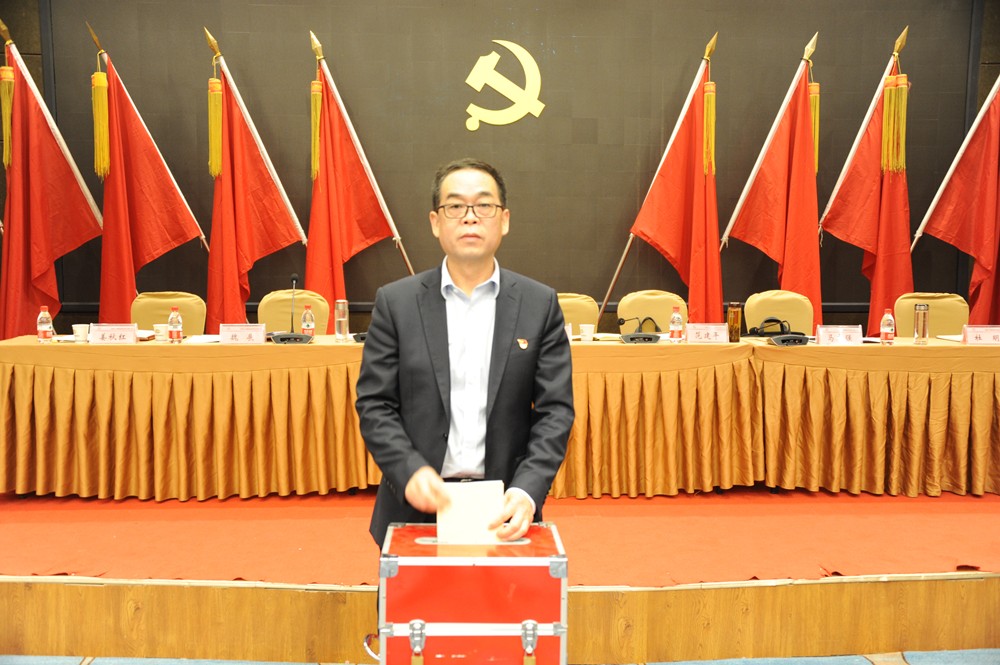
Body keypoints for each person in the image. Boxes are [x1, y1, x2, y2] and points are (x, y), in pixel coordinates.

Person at [355, 158, 575, 547]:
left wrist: (526, 490)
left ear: (504, 220)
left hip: (504, 507)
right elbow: (375, 404)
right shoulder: (396, 303)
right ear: (435, 222)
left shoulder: (538, 304)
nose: (470, 217)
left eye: (484, 205)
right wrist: (408, 470)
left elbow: (555, 411)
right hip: (415, 507)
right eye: (455, 206)